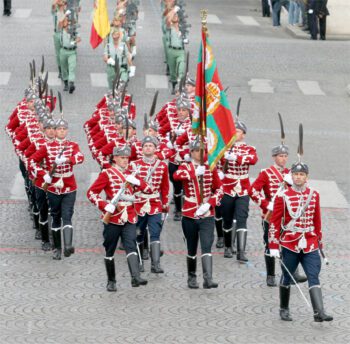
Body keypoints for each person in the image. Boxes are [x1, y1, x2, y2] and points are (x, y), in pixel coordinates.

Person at [269, 149, 333, 322]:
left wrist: (319, 242)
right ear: (291, 176)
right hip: (290, 243)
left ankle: (319, 311)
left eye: (301, 174)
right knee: (287, 276)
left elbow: (317, 220)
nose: (298, 177)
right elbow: (275, 222)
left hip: (310, 242)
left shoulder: (314, 195)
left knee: (313, 275)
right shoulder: (283, 196)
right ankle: (284, 308)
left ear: (307, 177)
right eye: (295, 174)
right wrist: (273, 245)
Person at [87, 144, 151, 292]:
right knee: (110, 248)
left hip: (129, 215)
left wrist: (137, 182)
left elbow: (148, 189)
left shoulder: (131, 174)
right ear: (114, 158)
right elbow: (91, 193)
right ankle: (111, 280)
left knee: (131, 244)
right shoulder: (107, 173)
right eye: (122, 158)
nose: (125, 160)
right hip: (114, 215)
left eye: (127, 158)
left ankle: (135, 277)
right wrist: (104, 205)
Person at [29, 117, 84, 260]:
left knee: (67, 215)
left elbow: (80, 157)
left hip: (69, 186)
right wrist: (43, 174)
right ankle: (57, 248)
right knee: (55, 216)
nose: (61, 131)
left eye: (64, 129)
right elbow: (32, 161)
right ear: (55, 130)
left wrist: (67, 160)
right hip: (53, 186)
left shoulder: (72, 145)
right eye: (59, 129)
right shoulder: (46, 146)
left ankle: (67, 245)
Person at [173, 138, 223, 289]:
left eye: (202, 151)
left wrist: (210, 203)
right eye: (196, 151)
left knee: (207, 246)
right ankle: (192, 278)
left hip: (206, 212)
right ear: (191, 152)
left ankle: (208, 279)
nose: (199, 154)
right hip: (189, 212)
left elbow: (220, 189)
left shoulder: (210, 167)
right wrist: (194, 172)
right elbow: (176, 176)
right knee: (191, 247)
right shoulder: (185, 167)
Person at [219, 119, 258, 262]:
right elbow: (215, 161)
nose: (235, 134)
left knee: (242, 218)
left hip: (243, 189)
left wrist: (236, 157)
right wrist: (219, 171)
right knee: (227, 219)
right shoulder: (223, 147)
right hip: (228, 187)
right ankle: (228, 246)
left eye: (238, 131)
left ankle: (241, 251)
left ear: (243, 135)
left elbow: (253, 159)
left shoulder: (249, 148)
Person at [130, 136, 170, 273]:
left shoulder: (162, 165)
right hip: (138, 203)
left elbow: (164, 186)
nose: (148, 148)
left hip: (154, 203)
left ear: (155, 148)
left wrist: (164, 202)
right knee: (138, 234)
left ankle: (155, 264)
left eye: (151, 146)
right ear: (141, 149)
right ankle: (139, 262)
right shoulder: (134, 165)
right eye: (145, 146)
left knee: (155, 232)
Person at [59, 15, 81, 93]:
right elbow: (60, 22)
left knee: (72, 67)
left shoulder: (74, 30)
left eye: (68, 22)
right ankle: (66, 83)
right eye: (65, 21)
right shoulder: (61, 30)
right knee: (64, 68)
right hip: (63, 51)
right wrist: (65, 15)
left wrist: (74, 41)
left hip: (72, 51)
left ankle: (71, 83)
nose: (67, 23)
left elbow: (79, 38)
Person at [52, 0, 67, 78]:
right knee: (58, 54)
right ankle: (60, 70)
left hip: (65, 34)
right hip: (57, 33)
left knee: (64, 53)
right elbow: (53, 5)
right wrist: (57, 2)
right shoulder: (55, 10)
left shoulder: (68, 11)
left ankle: (65, 70)